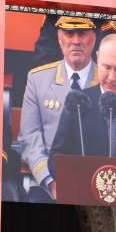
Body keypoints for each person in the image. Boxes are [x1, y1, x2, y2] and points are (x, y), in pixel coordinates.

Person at [19, 16, 99, 199]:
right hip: (50, 183)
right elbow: (30, 137)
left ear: (94, 38)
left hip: (95, 184)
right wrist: (49, 180)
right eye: (69, 33)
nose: (76, 41)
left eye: (82, 33)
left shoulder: (107, 81)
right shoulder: (37, 79)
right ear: (59, 38)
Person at [51, 34, 116, 162]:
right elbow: (56, 157)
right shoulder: (79, 103)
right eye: (107, 67)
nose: (111, 77)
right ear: (97, 59)